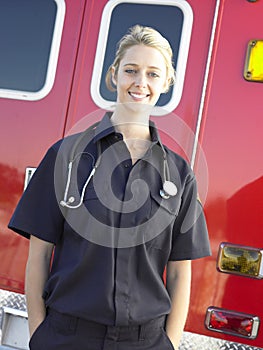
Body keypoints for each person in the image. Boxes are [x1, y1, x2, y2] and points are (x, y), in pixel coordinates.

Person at [8, 25, 211, 350]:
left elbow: (179, 273)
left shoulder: (179, 173)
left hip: (145, 341)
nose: (140, 82)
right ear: (114, 74)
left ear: (166, 83)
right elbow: (38, 256)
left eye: (152, 74)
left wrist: (170, 344)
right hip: (66, 337)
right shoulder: (66, 156)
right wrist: (38, 335)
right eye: (131, 70)